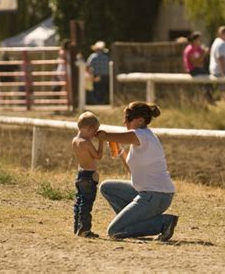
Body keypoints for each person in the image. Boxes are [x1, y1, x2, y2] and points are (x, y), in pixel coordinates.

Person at [97, 102, 178, 241]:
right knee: (106, 187)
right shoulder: (142, 137)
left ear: (140, 120)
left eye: (128, 118)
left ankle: (164, 223)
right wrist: (121, 151)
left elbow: (111, 135)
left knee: (114, 231)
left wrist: (99, 134)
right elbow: (131, 169)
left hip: (156, 196)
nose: (125, 122)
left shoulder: (141, 135)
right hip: (149, 193)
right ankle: (133, 224)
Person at [72, 111, 104, 238]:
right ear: (90, 129)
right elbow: (98, 156)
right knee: (87, 204)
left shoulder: (75, 140)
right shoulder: (86, 142)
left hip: (80, 174)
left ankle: (77, 227)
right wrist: (101, 141)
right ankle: (85, 229)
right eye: (94, 131)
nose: (94, 134)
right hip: (89, 176)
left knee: (79, 202)